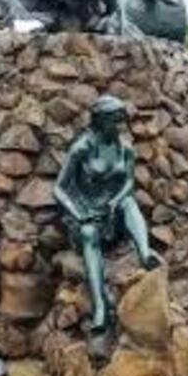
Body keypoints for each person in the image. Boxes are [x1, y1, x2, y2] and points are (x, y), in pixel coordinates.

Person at [54, 95, 161, 348]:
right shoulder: (82, 148)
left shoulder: (125, 148)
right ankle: (100, 305)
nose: (120, 126)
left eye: (122, 121)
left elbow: (129, 183)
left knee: (129, 202)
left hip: (113, 213)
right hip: (87, 215)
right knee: (89, 233)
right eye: (115, 121)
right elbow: (59, 188)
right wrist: (78, 214)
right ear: (101, 121)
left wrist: (115, 201)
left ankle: (145, 253)